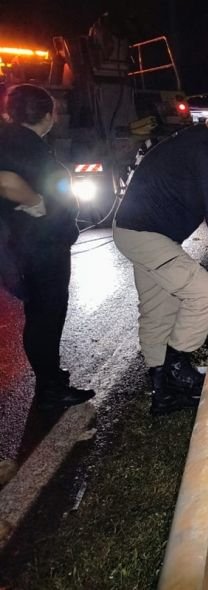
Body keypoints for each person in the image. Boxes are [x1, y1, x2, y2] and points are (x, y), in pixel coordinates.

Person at [113, 97, 208, 416]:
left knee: (159, 310)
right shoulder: (205, 148)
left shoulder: (204, 146)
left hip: (142, 232)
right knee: (205, 293)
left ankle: (162, 394)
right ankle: (176, 367)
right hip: (144, 234)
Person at [0, 84, 95, 410]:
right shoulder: (19, 143)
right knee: (46, 316)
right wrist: (35, 201)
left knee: (41, 314)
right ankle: (50, 389)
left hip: (32, 246)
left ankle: (50, 376)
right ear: (47, 114)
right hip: (39, 247)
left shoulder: (16, 139)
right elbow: (5, 181)